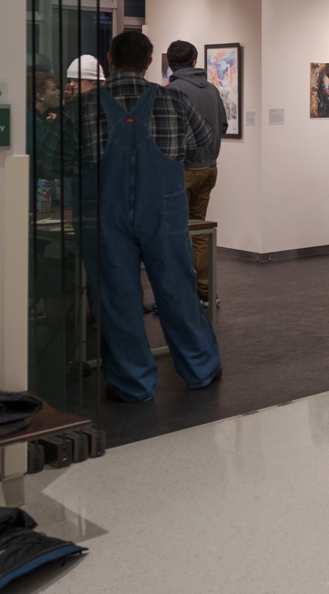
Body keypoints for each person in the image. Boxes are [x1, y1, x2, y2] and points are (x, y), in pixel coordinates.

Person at [43, 31, 221, 403]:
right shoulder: (174, 102)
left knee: (116, 297)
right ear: (148, 61)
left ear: (110, 58)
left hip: (101, 213)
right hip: (165, 209)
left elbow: (51, 160)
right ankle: (200, 369)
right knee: (177, 290)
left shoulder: (80, 108)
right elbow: (202, 147)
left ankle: (132, 382)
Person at [164, 40, 227, 300]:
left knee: (173, 233)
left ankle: (177, 294)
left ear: (169, 63)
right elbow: (222, 125)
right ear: (194, 61)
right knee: (199, 231)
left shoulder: (172, 91)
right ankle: (205, 291)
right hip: (208, 168)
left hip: (182, 171)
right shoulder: (212, 89)